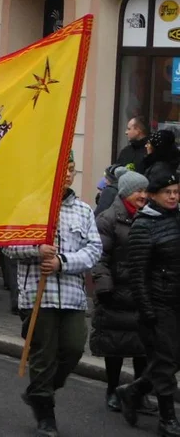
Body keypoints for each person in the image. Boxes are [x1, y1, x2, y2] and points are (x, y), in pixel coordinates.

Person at [4, 152, 101, 437]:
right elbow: (9, 246)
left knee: (73, 347)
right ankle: (46, 412)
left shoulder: (83, 211)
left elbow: (94, 250)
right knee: (43, 355)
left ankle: (40, 390)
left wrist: (63, 262)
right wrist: (37, 250)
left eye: (72, 169)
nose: (69, 174)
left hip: (71, 295)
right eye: (64, 169)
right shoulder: (30, 206)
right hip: (37, 295)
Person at [116, 164, 180, 435]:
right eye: (167, 192)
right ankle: (167, 420)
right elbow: (137, 273)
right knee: (165, 363)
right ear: (153, 195)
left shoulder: (177, 218)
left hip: (177, 300)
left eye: (177, 191)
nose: (173, 197)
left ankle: (132, 390)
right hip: (159, 302)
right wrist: (147, 310)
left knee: (174, 359)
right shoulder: (144, 225)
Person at [90, 169, 153, 413]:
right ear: (126, 192)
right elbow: (99, 255)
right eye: (139, 190)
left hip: (141, 291)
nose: (143, 195)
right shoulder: (108, 219)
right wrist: (104, 285)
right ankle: (113, 389)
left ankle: (138, 392)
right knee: (114, 344)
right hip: (116, 291)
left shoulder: (148, 216)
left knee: (143, 346)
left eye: (146, 190)